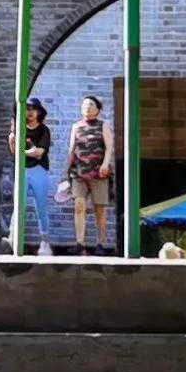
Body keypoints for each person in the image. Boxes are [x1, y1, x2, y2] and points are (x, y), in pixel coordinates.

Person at [65, 95, 113, 255]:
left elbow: (109, 147)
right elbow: (71, 149)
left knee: (99, 209)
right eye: (85, 104)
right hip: (78, 173)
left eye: (91, 104)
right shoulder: (76, 126)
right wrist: (66, 172)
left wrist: (105, 164)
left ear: (98, 109)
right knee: (79, 206)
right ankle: (80, 243)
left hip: (99, 173)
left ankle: (101, 244)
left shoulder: (103, 125)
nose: (87, 106)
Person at [20, 98, 57, 255]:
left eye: (34, 108)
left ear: (39, 112)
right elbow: (14, 151)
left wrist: (22, 151)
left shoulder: (44, 130)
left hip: (38, 170)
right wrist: (15, 143)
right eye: (28, 108)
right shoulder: (20, 128)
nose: (30, 111)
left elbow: (39, 152)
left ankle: (45, 242)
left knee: (41, 207)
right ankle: (14, 239)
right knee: (19, 206)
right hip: (21, 170)